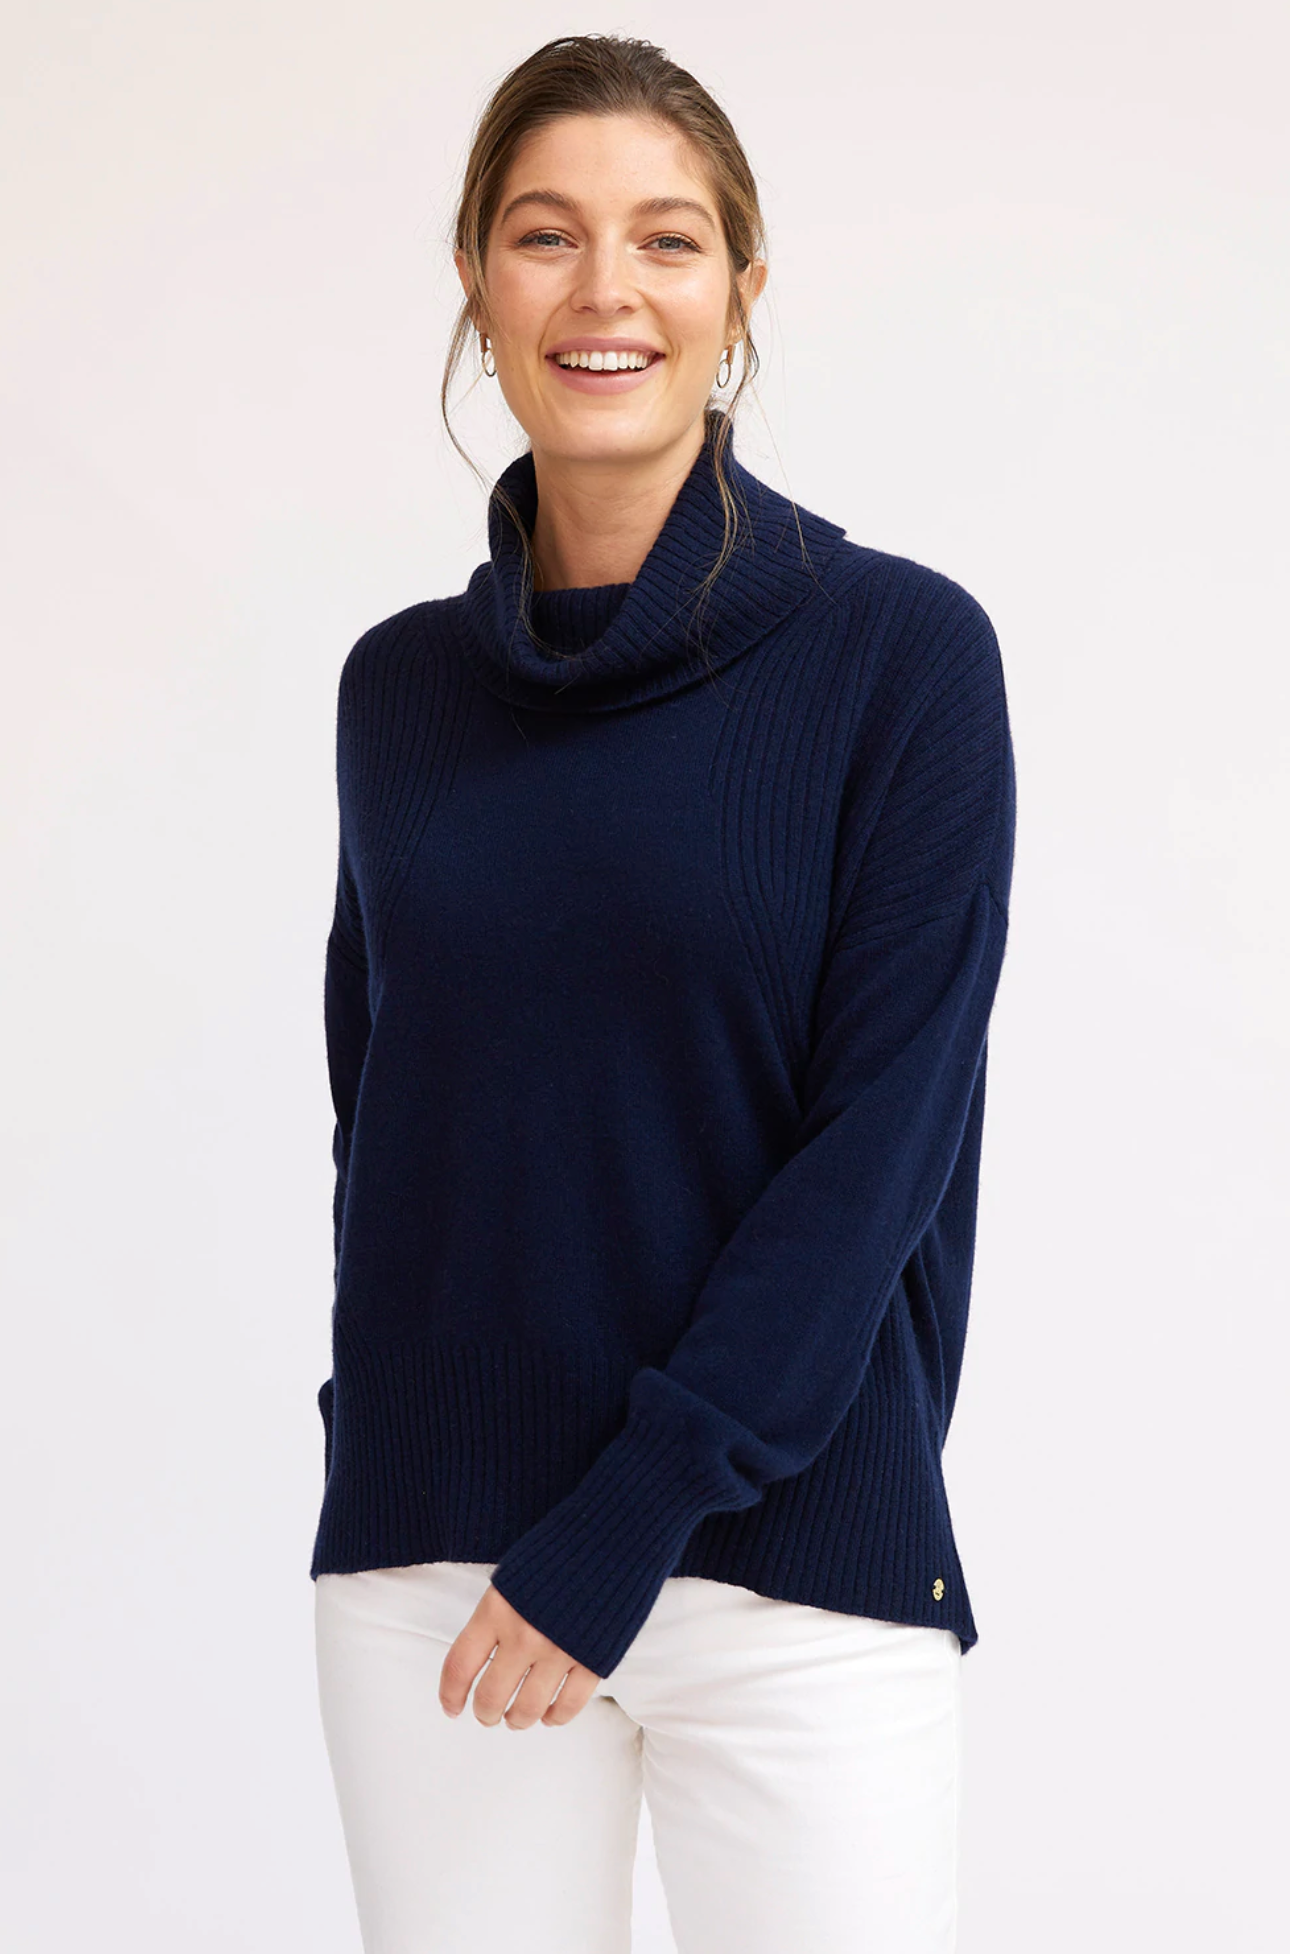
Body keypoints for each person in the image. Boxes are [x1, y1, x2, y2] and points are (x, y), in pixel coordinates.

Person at [310, 31, 1015, 1954]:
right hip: (441, 1569)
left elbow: (876, 1154)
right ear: (477, 281)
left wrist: (637, 1510)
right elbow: (387, 1102)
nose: (603, 289)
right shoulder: (398, 692)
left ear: (741, 293)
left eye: (666, 239)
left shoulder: (901, 660)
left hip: (787, 1561)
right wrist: (381, 1429)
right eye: (546, 235)